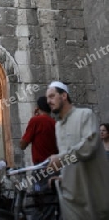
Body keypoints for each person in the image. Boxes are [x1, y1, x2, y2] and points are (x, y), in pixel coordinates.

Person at [46, 81, 109, 220]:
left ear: (64, 95)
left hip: (92, 194)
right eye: (47, 98)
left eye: (52, 96)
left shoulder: (85, 115)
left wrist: (61, 159)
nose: (48, 101)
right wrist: (63, 176)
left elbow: (88, 147)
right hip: (71, 198)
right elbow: (70, 159)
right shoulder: (58, 126)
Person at [19, 96, 59, 219]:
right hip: (55, 167)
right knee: (50, 199)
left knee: (38, 197)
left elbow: (22, 144)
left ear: (38, 107)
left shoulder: (35, 121)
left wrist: (34, 117)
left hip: (41, 167)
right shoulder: (55, 123)